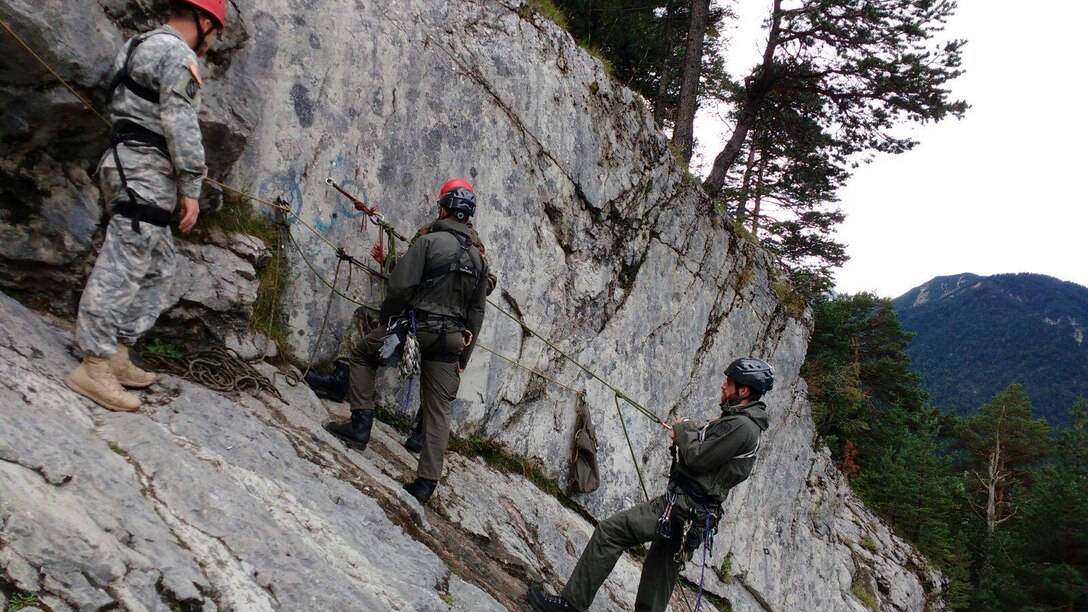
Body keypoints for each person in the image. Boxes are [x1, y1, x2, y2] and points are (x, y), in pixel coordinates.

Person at [65, 0, 226, 412]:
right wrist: (192, 186)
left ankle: (117, 351)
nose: (213, 40)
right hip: (145, 170)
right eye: (216, 31)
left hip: (128, 164)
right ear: (204, 21)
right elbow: (180, 120)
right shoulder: (176, 53)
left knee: (158, 264)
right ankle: (94, 363)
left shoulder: (138, 44)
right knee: (125, 263)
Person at [527, 358, 774, 612]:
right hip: (692, 513)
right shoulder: (741, 423)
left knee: (611, 532)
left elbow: (697, 457)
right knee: (657, 581)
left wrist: (682, 432)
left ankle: (571, 604)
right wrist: (686, 432)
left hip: (681, 507)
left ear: (744, 391)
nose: (723, 386)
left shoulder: (743, 427)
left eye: (729, 383)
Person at [325, 179, 490, 505]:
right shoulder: (479, 260)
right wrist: (463, 358)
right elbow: (477, 313)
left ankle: (360, 427)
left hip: (415, 328)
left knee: (362, 353)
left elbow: (401, 287)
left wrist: (387, 318)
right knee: (439, 408)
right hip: (451, 340)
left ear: (442, 208)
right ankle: (425, 484)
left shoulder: (428, 242)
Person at [307, 210, 496, 451]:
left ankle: (422, 428)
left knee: (442, 369)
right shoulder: (428, 232)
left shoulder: (473, 243)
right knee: (365, 318)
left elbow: (487, 283)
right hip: (412, 316)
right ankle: (341, 379)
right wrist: (387, 261)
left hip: (443, 323)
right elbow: (410, 270)